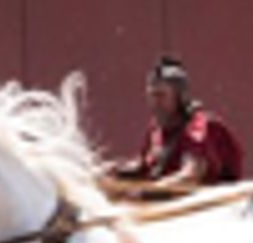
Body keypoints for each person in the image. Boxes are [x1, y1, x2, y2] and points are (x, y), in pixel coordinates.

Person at [101, 55, 244, 200]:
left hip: (210, 206)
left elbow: (191, 175)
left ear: (180, 97)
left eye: (161, 95)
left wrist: (146, 194)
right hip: (170, 200)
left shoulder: (197, 126)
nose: (155, 103)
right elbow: (146, 166)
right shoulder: (156, 128)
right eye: (152, 95)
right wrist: (114, 172)